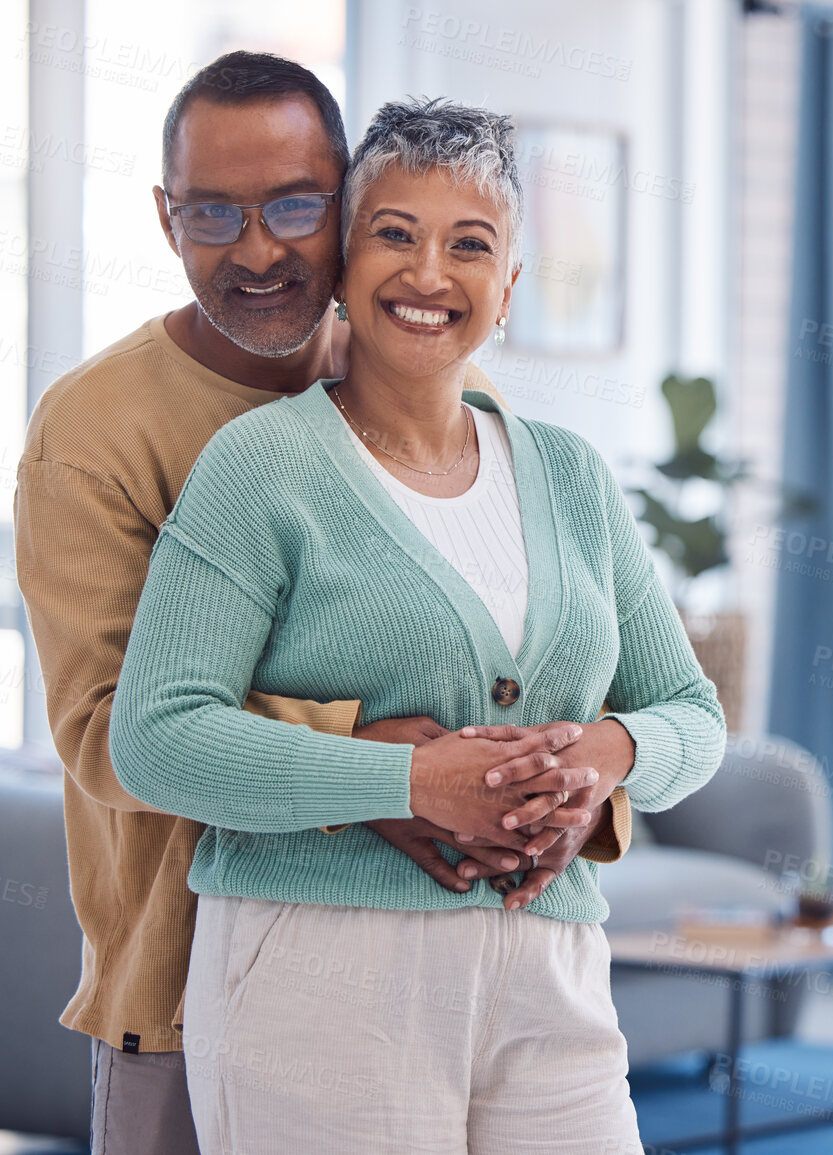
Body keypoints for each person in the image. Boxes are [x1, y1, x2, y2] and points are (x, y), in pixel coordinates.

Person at [14, 53, 634, 1155]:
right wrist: (392, 774)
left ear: (347, 210)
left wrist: (562, 785)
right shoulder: (93, 431)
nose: (257, 249)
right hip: (179, 974)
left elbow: (559, 665)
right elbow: (110, 736)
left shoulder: (451, 386)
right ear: (168, 220)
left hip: (458, 963)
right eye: (216, 212)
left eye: (296, 206)